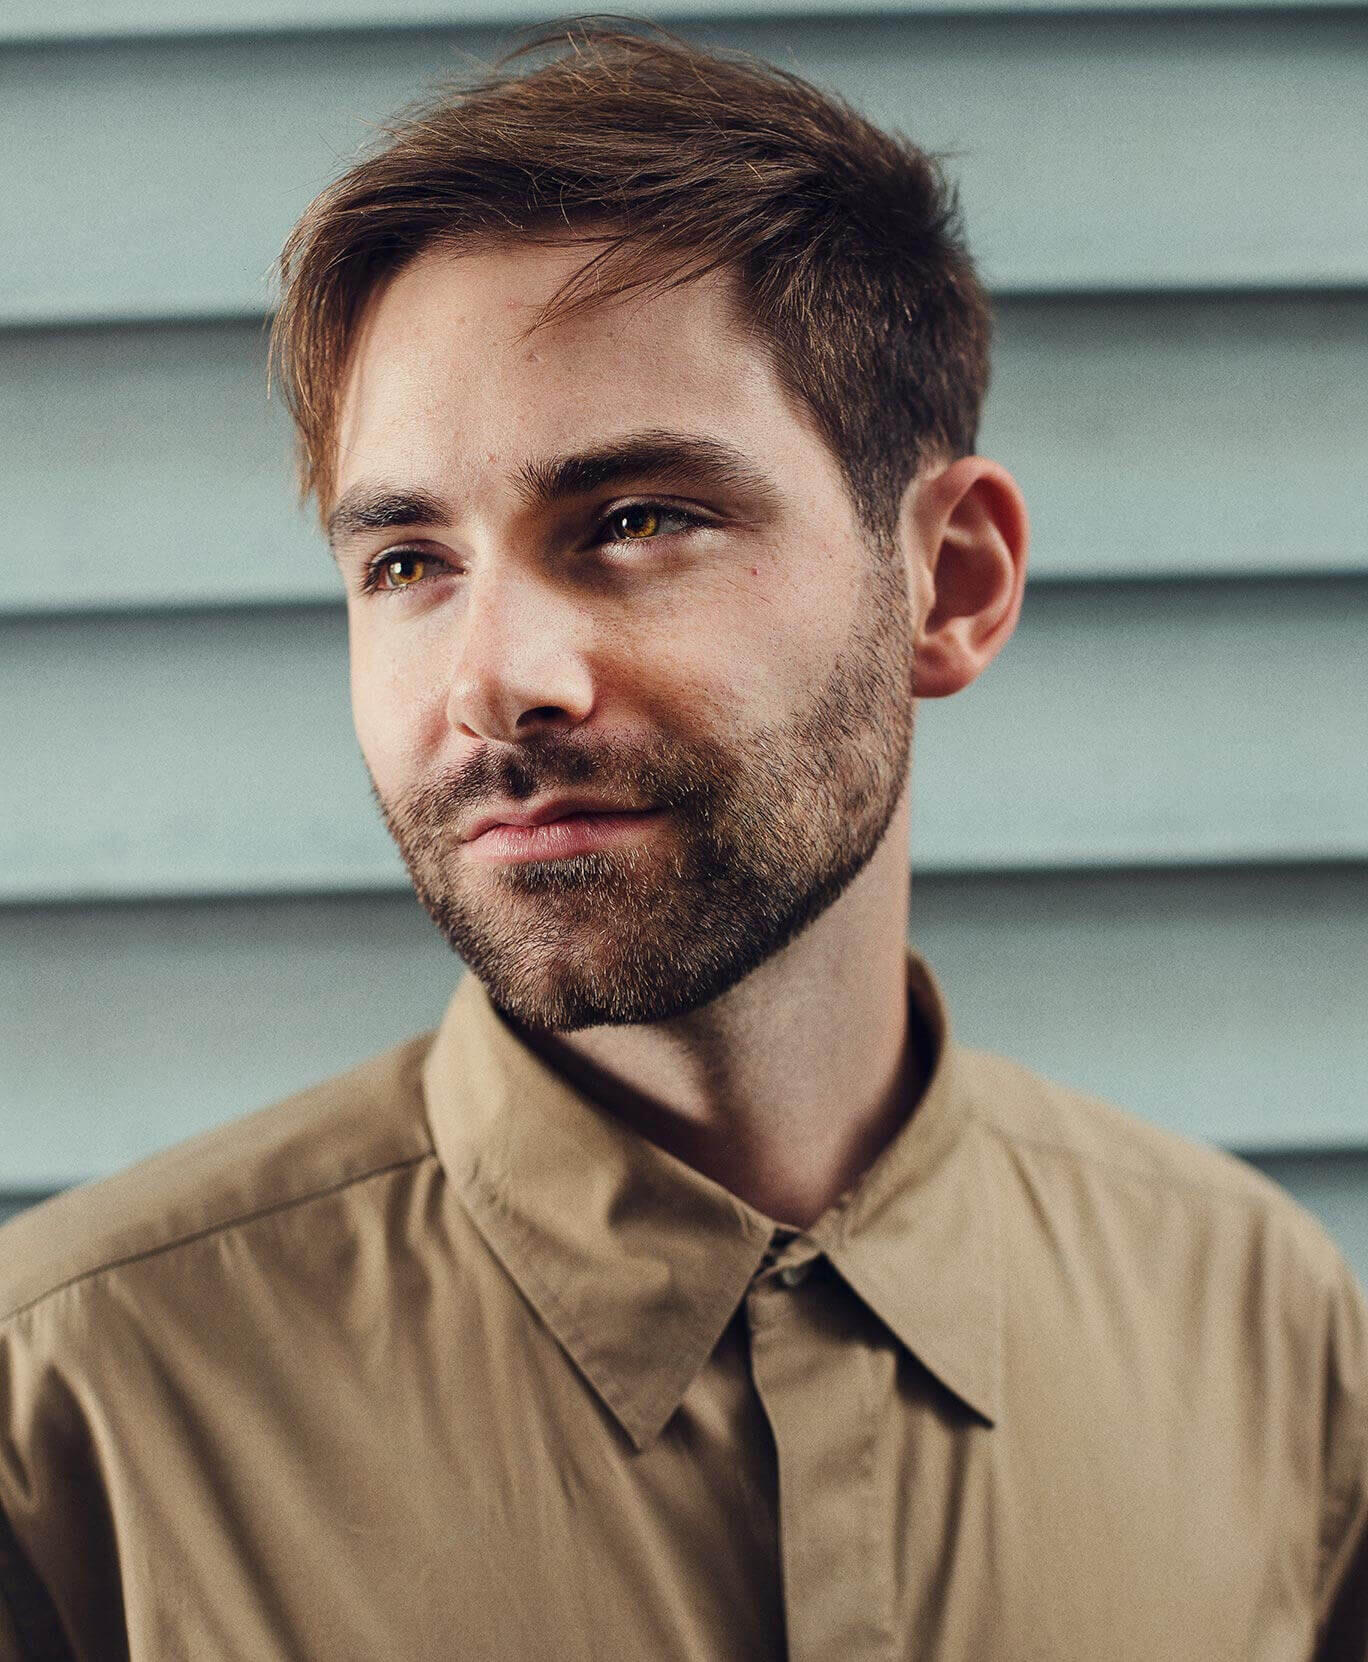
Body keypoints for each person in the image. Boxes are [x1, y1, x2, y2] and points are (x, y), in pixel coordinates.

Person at [1, 21, 1363, 1660]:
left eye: (639, 520)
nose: (493, 681)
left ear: (949, 582)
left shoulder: (1273, 1335)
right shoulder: (63, 1415)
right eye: (408, 562)